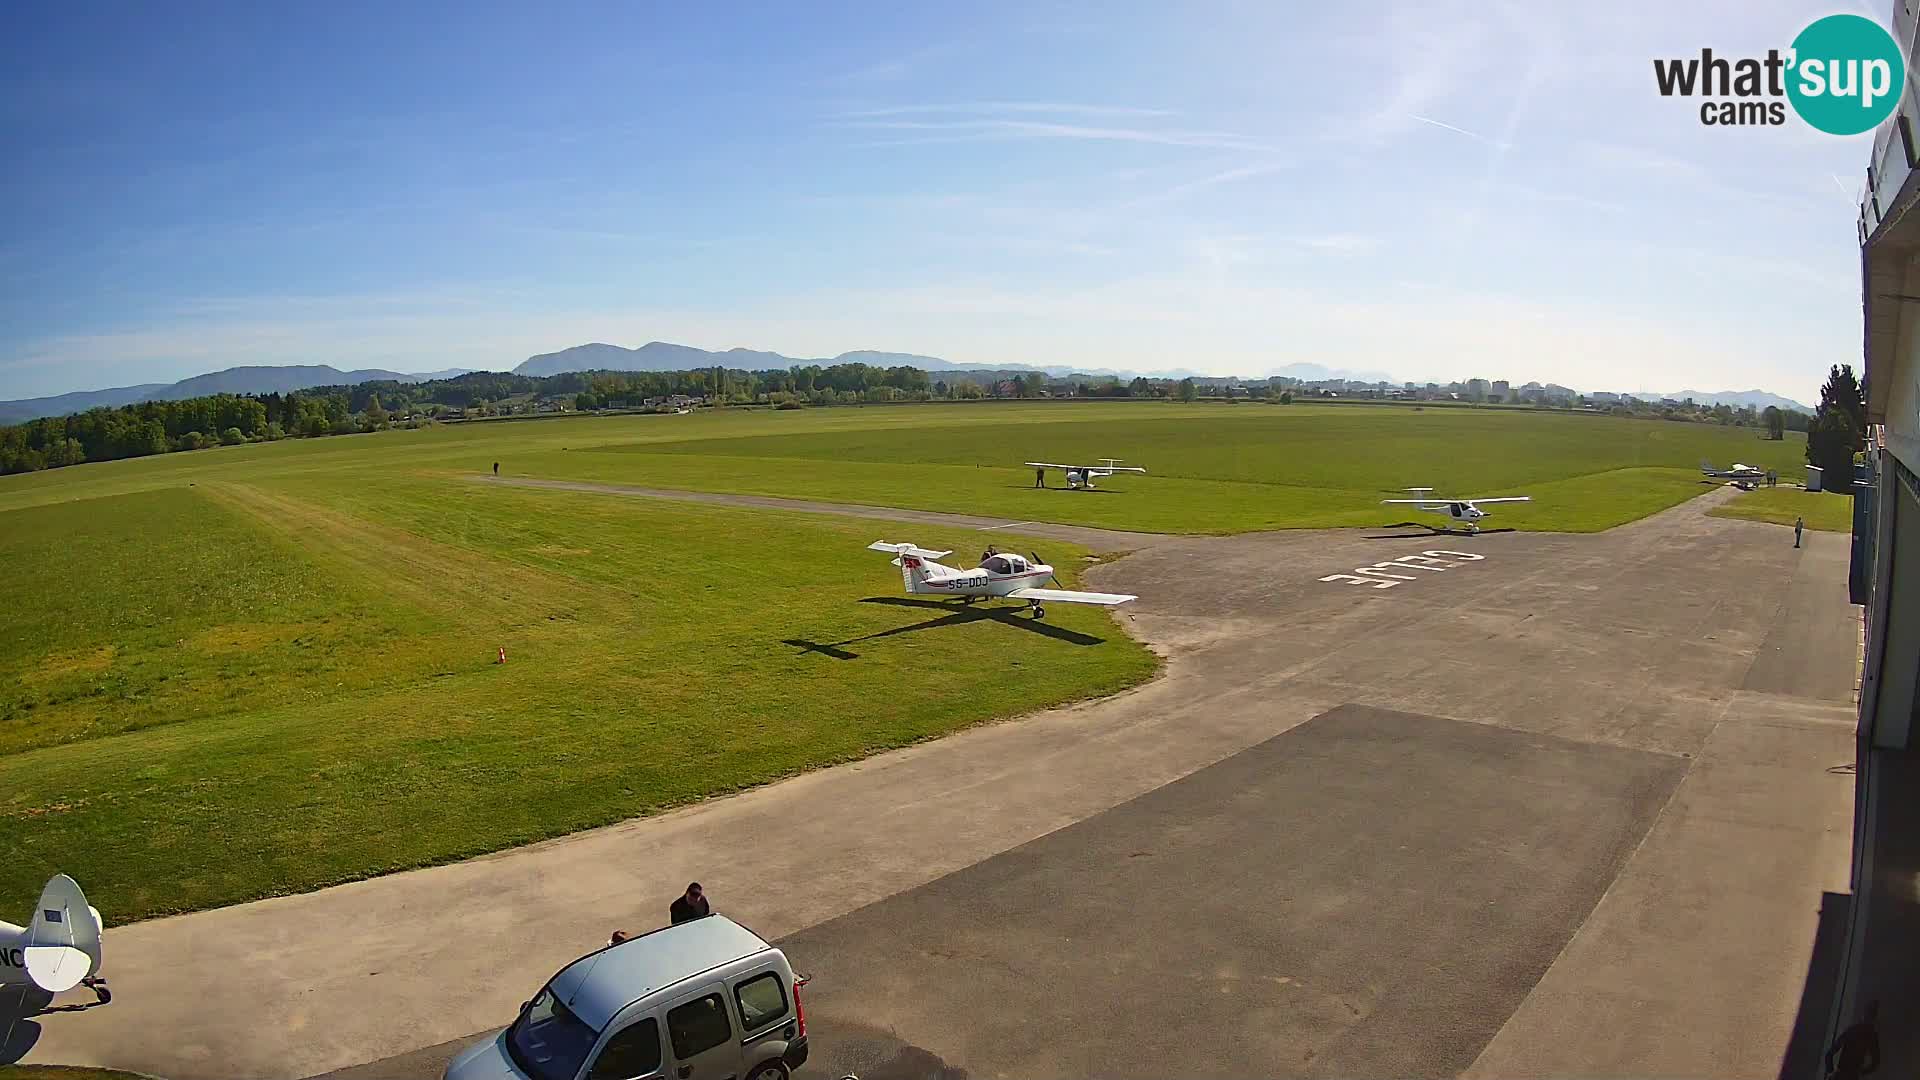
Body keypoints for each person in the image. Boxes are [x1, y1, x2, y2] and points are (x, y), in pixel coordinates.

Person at [1825, 1000, 1880, 1080]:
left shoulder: (1853, 1030)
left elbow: (1829, 1053)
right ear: (1874, 1018)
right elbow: (1875, 1062)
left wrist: (1831, 1071)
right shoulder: (1871, 1036)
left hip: (1842, 1074)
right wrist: (1862, 1072)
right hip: (1851, 1075)